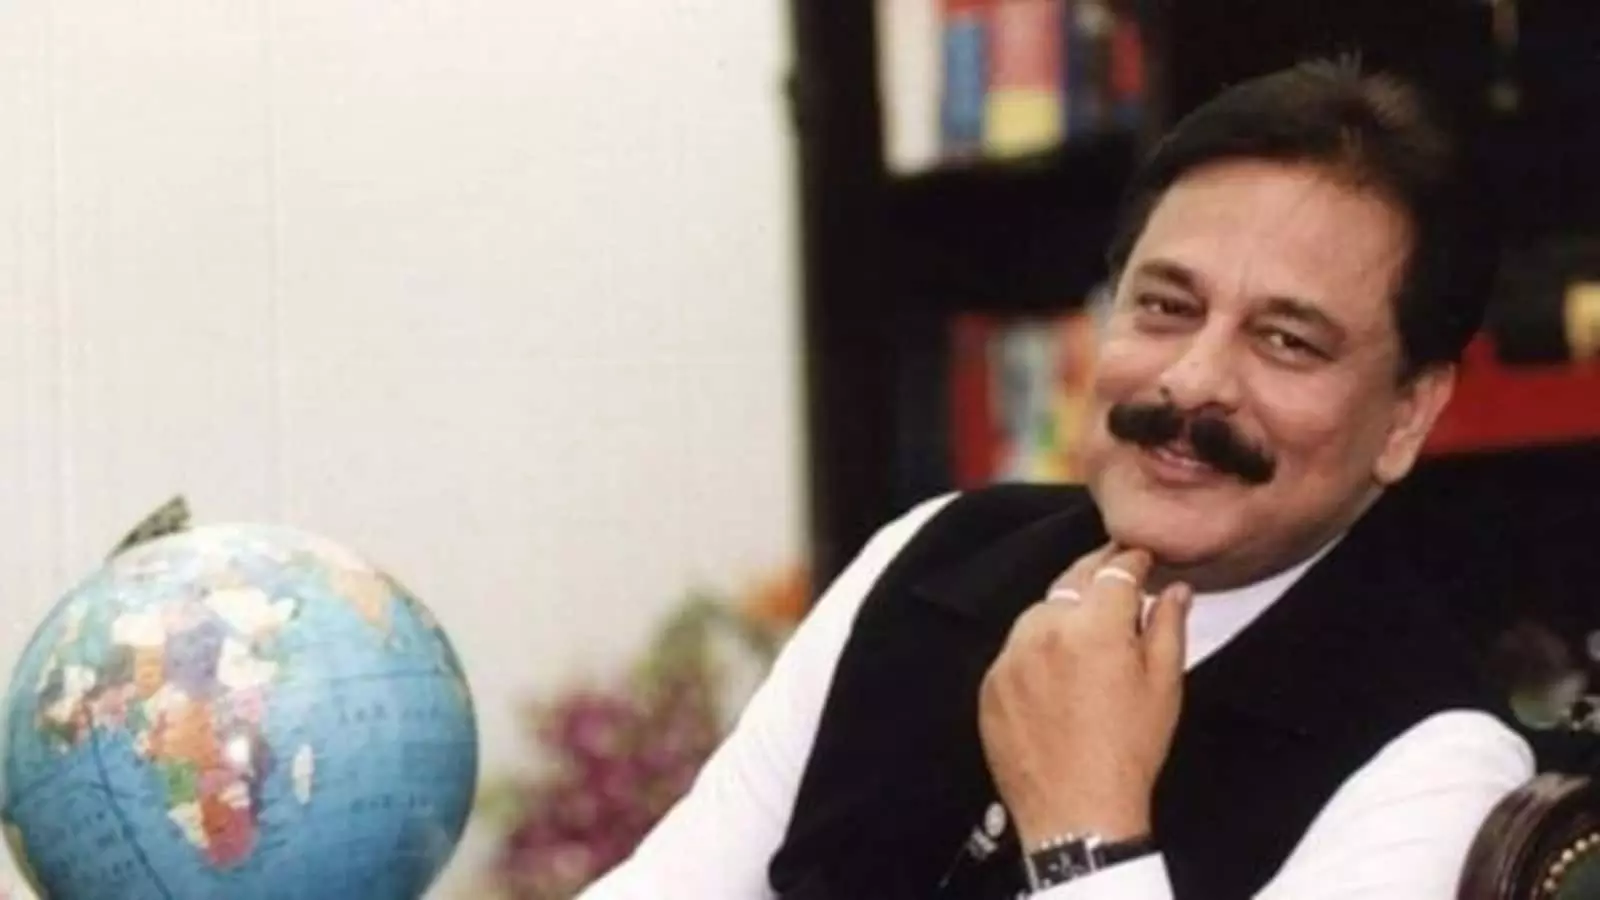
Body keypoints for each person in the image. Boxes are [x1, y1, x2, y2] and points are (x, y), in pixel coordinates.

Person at [581, 58, 1535, 898]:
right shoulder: (927, 560)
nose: (1192, 379)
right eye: (1165, 307)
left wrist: (1086, 828)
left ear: (1407, 415)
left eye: (1286, 341)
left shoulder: (1433, 767)